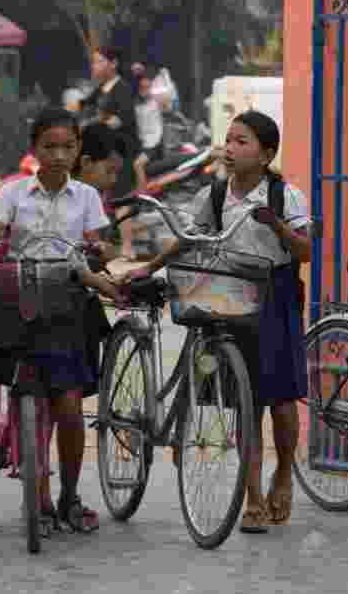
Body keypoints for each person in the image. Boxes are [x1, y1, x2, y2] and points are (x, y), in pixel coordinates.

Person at [124, 110, 311, 533]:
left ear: (265, 154)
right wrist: (149, 267)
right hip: (228, 293)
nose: (231, 147)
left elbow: (305, 252)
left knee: (281, 400)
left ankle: (283, 474)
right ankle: (253, 498)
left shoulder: (284, 195)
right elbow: (188, 239)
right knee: (245, 400)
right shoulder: (214, 195)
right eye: (229, 139)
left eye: (242, 141)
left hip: (274, 296)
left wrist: (276, 225)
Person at [0, 107, 120, 533]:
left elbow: (102, 244)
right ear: (34, 150)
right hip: (20, 305)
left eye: (67, 146)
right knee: (34, 406)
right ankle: (37, 500)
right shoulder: (13, 193)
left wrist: (100, 253)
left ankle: (69, 496)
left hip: (70, 305)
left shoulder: (87, 198)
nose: (59, 155)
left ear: (78, 150)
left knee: (71, 408)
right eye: (49, 146)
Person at [81, 46, 140, 257]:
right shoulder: (102, 88)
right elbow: (82, 105)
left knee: (120, 197)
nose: (95, 66)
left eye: (99, 61)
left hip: (121, 153)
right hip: (104, 150)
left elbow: (121, 120)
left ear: (113, 64)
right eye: (94, 62)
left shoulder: (121, 88)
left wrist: (96, 126)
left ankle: (127, 248)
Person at [133, 75, 165, 192]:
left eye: (147, 87)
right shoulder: (136, 104)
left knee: (138, 165)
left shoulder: (156, 102)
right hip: (142, 142)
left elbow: (167, 104)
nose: (145, 89)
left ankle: (142, 196)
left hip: (153, 143)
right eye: (142, 87)